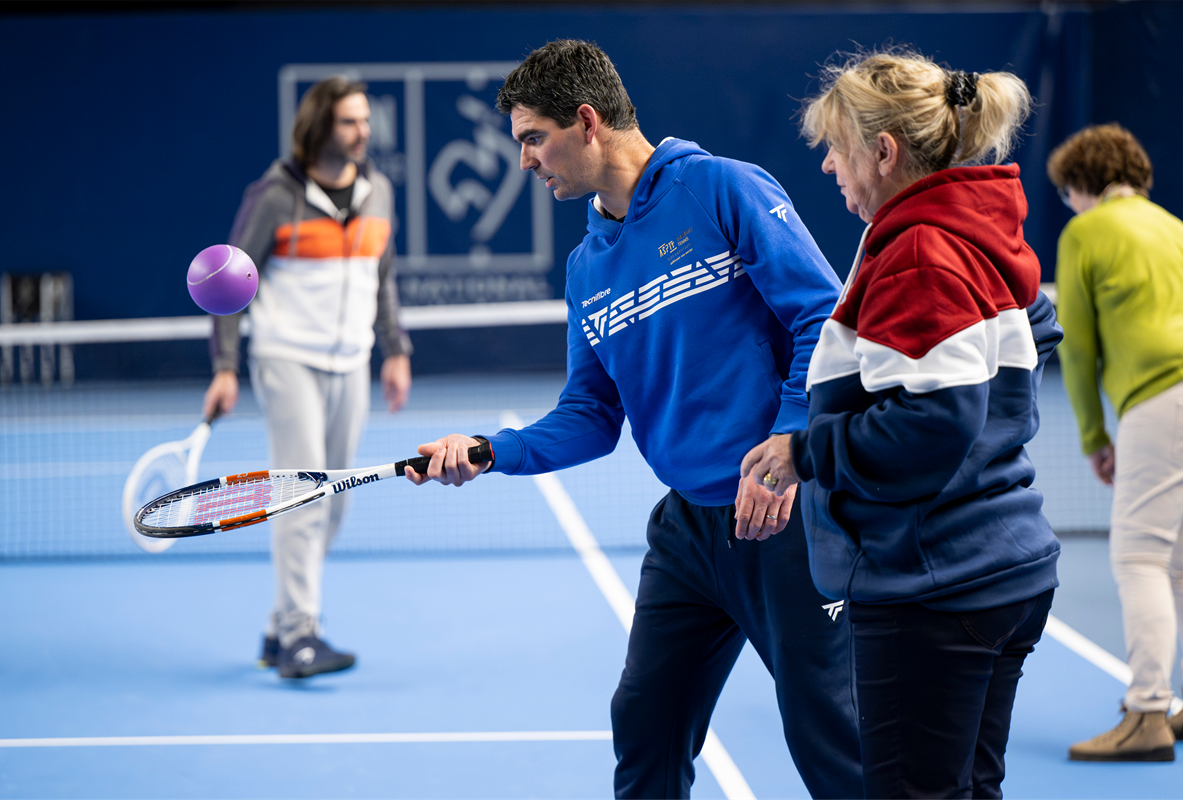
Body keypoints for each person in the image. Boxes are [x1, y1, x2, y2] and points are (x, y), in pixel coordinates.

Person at [406, 39, 861, 800]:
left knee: (832, 740)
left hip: (786, 521)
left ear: (585, 122)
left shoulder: (722, 190)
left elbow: (824, 316)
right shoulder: (588, 268)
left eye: (532, 138)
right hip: (688, 534)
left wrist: (787, 442)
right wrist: (492, 449)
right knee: (645, 722)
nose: (524, 161)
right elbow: (589, 415)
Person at [741, 51, 1063, 798]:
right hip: (997, 562)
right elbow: (1033, 332)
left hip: (935, 583)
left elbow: (931, 423)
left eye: (837, 146)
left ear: (882, 153)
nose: (827, 165)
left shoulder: (918, 250)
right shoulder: (979, 230)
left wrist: (803, 450)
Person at [203, 76, 413, 679]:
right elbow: (226, 285)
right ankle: (301, 636)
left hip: (351, 360)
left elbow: (384, 276)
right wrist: (224, 366)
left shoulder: (379, 193)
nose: (363, 132)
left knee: (333, 501)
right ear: (320, 127)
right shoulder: (274, 195)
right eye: (350, 121)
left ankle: (278, 628)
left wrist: (394, 351)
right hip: (285, 356)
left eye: (365, 121)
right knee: (303, 493)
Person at [1046, 123, 1183, 761]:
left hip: (1160, 397)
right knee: (1177, 562)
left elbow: (1075, 348)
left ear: (1080, 185)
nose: (1068, 205)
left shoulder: (1086, 231)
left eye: (1067, 193)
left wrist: (1096, 436)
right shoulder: (1171, 225)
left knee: (1138, 559)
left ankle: (1149, 713)